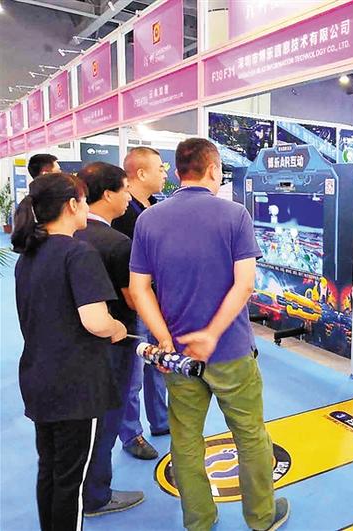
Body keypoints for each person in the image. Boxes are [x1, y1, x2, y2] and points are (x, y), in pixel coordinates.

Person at [129, 138, 289, 531]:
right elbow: (245, 285)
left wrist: (164, 339)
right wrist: (213, 334)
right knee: (250, 435)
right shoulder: (235, 215)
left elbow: (139, 288)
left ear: (178, 171)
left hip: (178, 355)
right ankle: (261, 517)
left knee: (185, 439)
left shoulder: (148, 219)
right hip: (231, 349)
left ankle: (198, 520)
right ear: (214, 169)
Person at [12, 173, 127, 530]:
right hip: (75, 386)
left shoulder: (28, 256)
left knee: (49, 469)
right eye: (84, 200)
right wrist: (117, 327)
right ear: (72, 205)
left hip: (39, 377)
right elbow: (95, 321)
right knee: (71, 482)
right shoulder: (78, 253)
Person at [74, 162, 145, 516]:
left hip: (76, 346)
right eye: (124, 189)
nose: (128, 197)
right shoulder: (117, 243)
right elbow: (133, 299)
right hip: (114, 343)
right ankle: (97, 495)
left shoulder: (68, 235)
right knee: (107, 420)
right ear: (107, 194)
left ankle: (84, 488)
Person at [112, 146, 169, 460]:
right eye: (160, 168)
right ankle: (131, 434)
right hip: (134, 303)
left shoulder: (156, 207)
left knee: (159, 363)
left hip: (158, 299)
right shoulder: (123, 214)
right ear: (142, 173)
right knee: (133, 372)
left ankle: (160, 420)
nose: (165, 174)